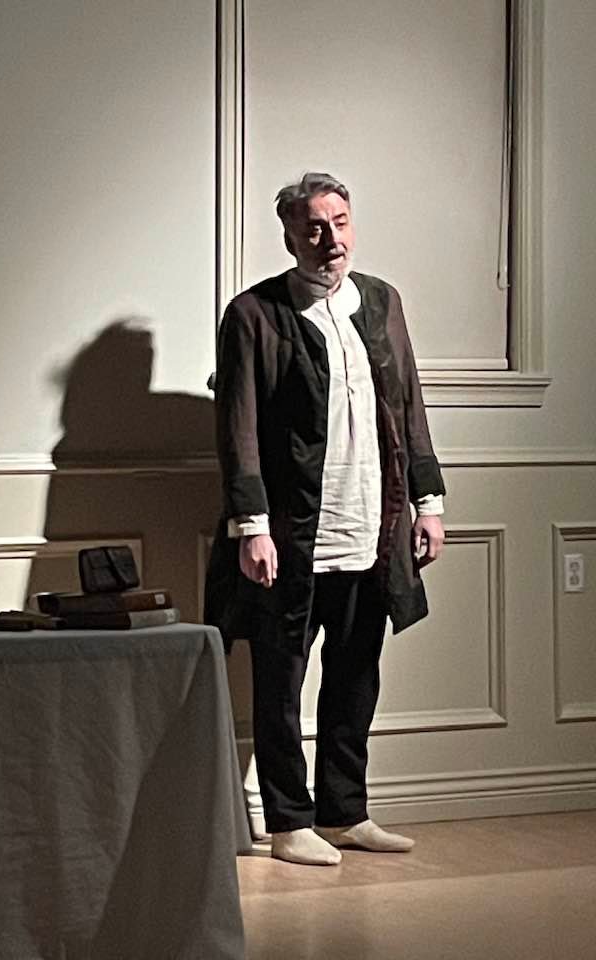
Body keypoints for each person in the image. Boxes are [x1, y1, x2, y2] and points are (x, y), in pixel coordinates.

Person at [204, 172, 445, 866]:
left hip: (373, 527)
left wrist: (429, 504)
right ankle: (288, 821)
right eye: (313, 226)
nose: (329, 238)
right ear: (289, 236)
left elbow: (409, 406)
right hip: (291, 536)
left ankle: (345, 812)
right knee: (280, 681)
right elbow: (238, 426)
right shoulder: (254, 314)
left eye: (339, 222)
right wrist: (252, 526)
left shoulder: (382, 301)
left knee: (356, 674)